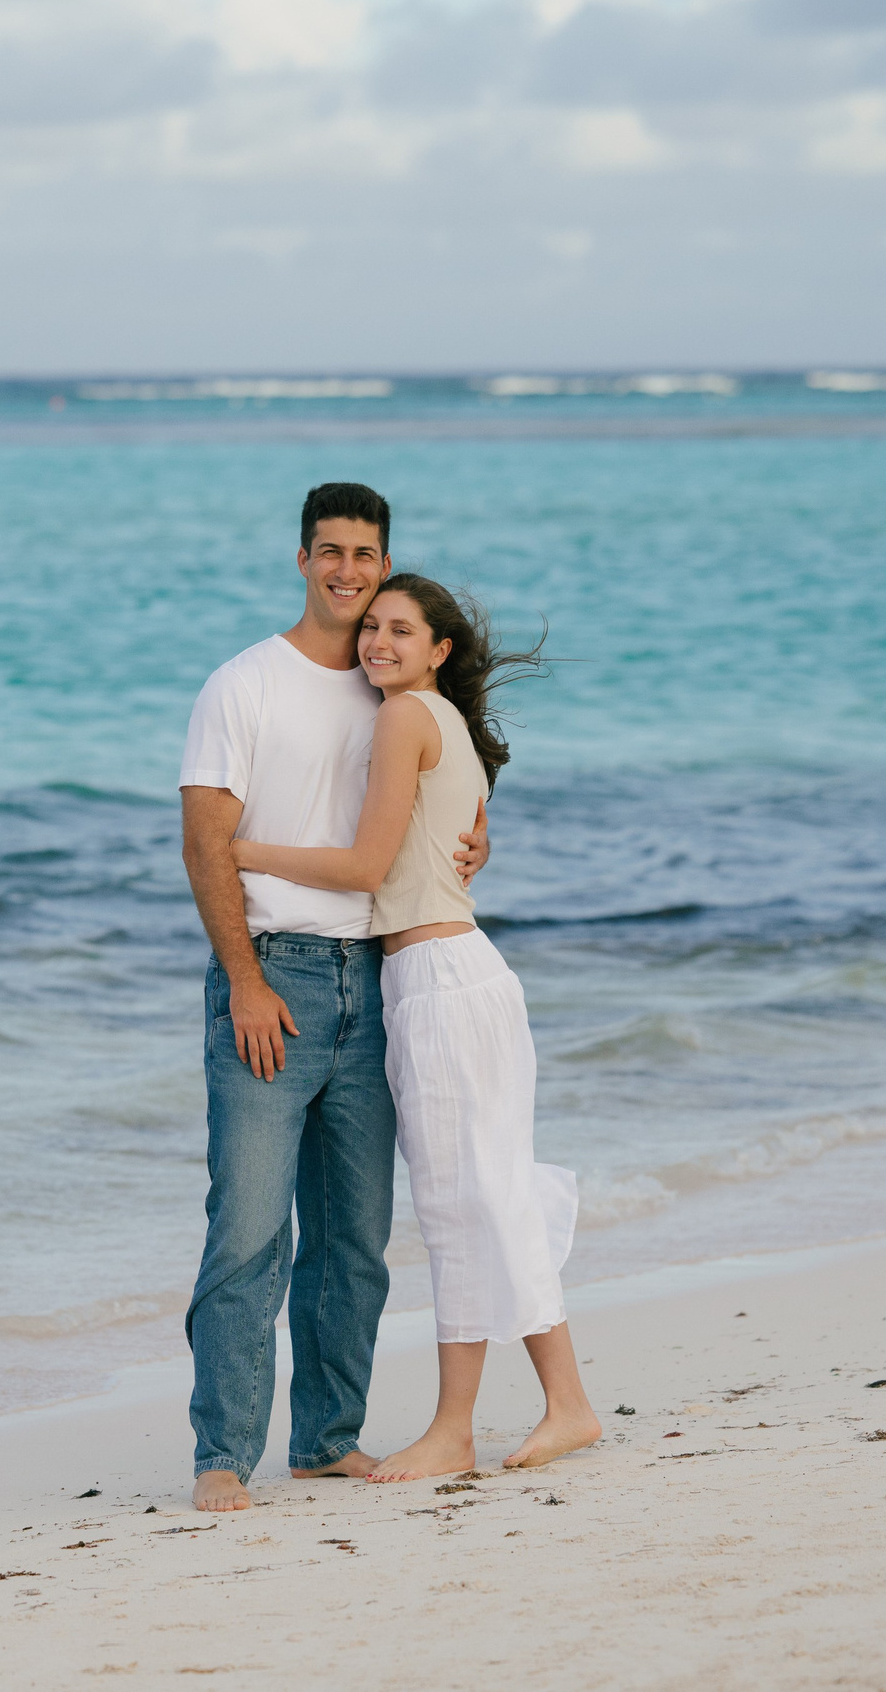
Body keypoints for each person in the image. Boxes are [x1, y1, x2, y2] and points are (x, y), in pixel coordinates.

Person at [230, 572, 599, 1479]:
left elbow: (364, 865)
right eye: (373, 628)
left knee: (463, 1201)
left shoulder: (404, 718)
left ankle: (532, 1411)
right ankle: (490, 1419)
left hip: (437, 976)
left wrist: (235, 847)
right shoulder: (450, 727)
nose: (378, 642)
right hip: (460, 972)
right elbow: (443, 840)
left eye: (401, 630)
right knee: (476, 1195)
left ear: (439, 649)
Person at [176, 483, 491, 1512]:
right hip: (276, 976)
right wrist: (245, 983)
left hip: (381, 982)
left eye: (365, 553)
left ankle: (324, 1439)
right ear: (301, 558)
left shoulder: (389, 680)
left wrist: (478, 836)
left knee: (354, 1236)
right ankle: (221, 1455)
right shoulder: (243, 683)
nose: (347, 570)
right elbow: (204, 841)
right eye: (329, 551)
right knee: (250, 1230)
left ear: (384, 559)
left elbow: (435, 788)